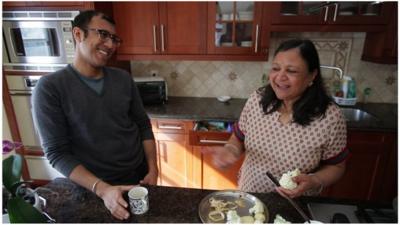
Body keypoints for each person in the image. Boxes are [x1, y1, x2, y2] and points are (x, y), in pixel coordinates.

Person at [32, 10, 158, 220]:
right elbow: (56, 153)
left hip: (137, 177)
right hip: (90, 187)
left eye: (114, 38)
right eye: (102, 34)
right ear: (78, 34)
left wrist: (153, 169)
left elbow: (143, 125)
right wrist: (101, 189)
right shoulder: (50, 88)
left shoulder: (123, 79)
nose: (110, 45)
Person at [203, 39, 349, 198]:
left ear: (312, 75)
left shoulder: (330, 117)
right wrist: (230, 150)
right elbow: (237, 138)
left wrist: (314, 180)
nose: (280, 77)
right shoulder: (257, 100)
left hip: (296, 203)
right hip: (250, 196)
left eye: (291, 71)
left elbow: (337, 167)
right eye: (275, 68)